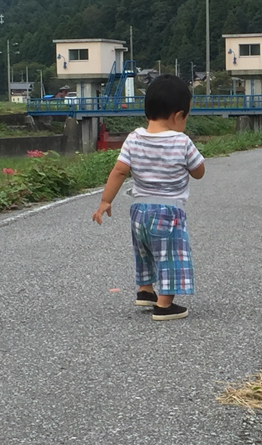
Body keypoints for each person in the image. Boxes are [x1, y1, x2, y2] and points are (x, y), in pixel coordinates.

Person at [92, 75, 206, 321]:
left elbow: (120, 170)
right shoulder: (181, 141)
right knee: (171, 255)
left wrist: (105, 201)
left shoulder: (134, 138)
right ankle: (164, 306)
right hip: (168, 212)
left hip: (139, 210)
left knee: (145, 252)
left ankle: (146, 291)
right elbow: (199, 172)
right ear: (178, 116)